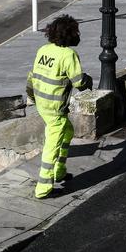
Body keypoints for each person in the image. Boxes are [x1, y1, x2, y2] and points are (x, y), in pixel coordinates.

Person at [25, 15, 92, 200]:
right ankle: (43, 188)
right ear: (70, 34)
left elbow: (32, 77)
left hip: (42, 104)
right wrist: (88, 80)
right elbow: (79, 82)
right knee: (52, 146)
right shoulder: (68, 55)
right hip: (55, 108)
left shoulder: (43, 50)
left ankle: (59, 171)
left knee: (68, 131)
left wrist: (31, 97)